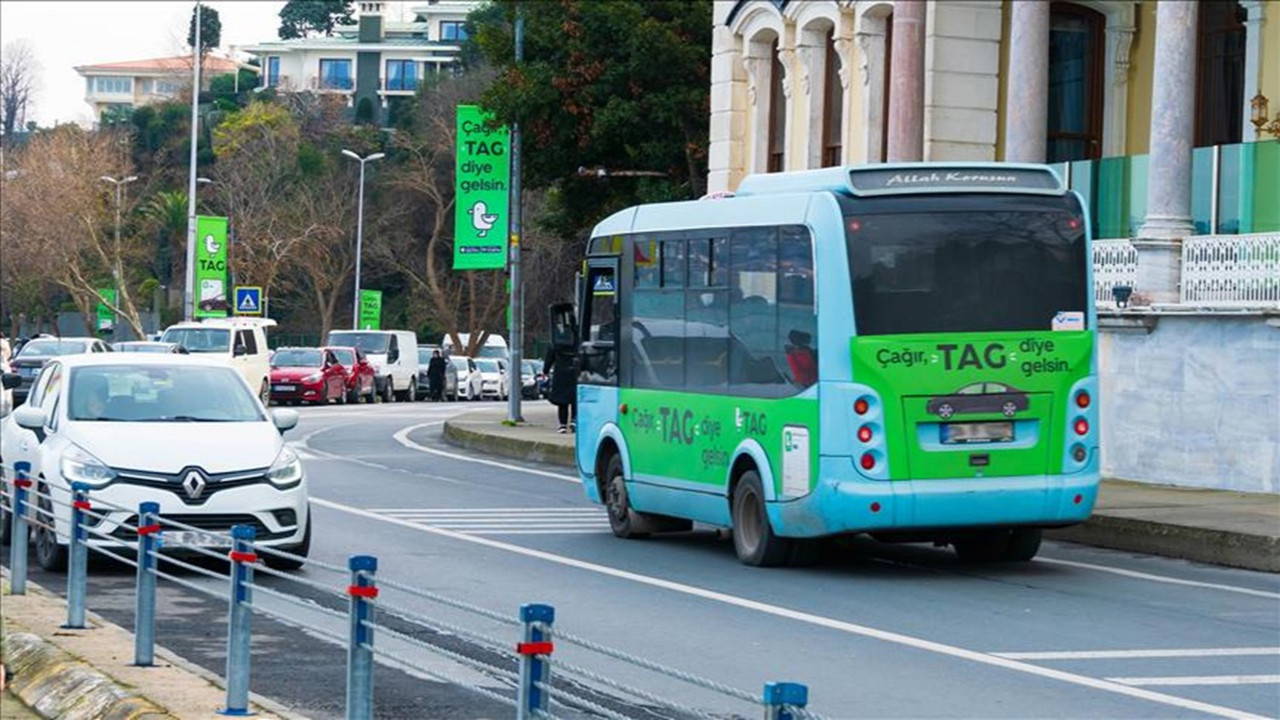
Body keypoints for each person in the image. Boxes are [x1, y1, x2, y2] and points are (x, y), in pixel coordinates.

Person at [543, 343, 578, 433]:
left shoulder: (556, 344)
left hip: (560, 374)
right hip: (575, 374)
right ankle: (574, 421)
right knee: (575, 399)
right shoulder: (577, 342)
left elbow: (549, 359)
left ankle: (563, 425)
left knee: (562, 402)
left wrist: (545, 371)